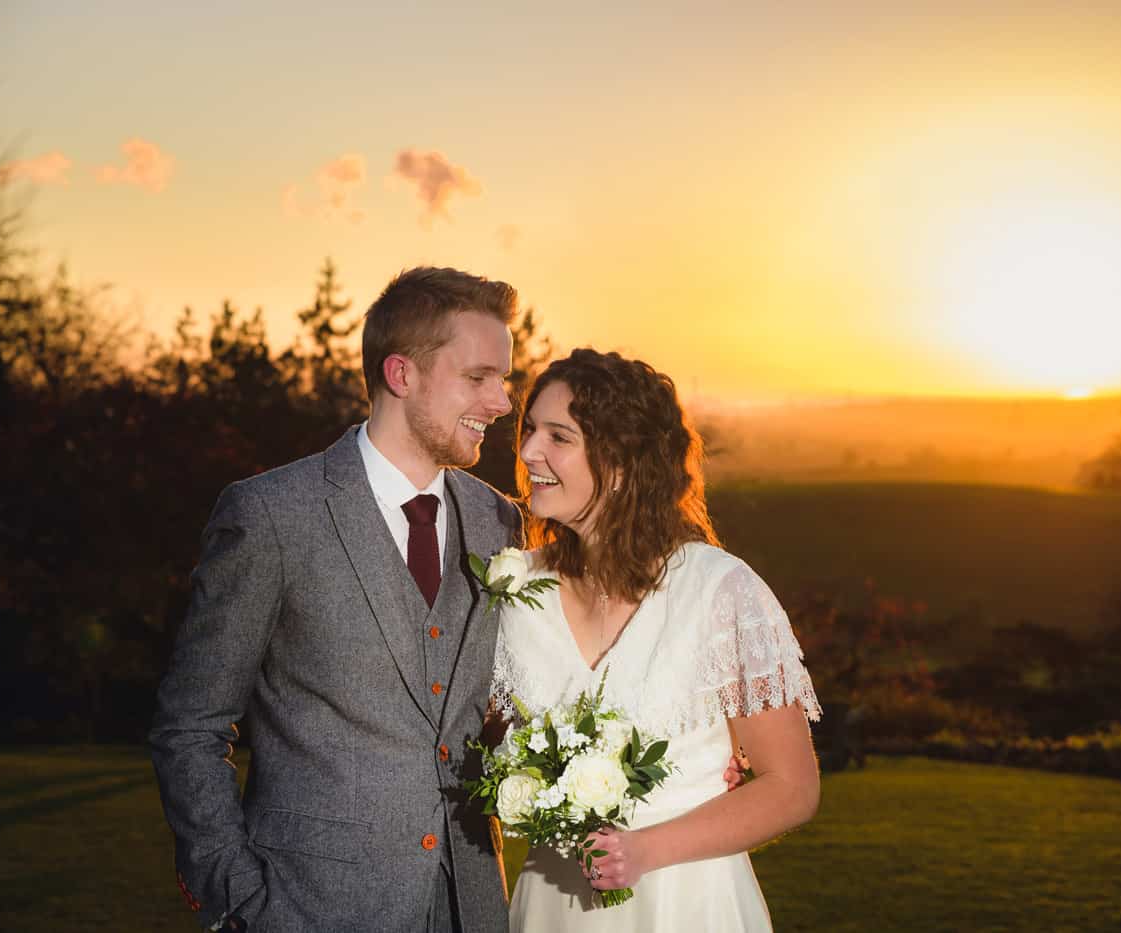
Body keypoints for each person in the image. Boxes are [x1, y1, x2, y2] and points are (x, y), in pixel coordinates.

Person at [150, 267, 524, 932]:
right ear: (401, 374)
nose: (502, 401)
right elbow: (190, 726)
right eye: (480, 377)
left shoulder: (500, 522)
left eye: (505, 379)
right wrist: (237, 896)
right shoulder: (271, 515)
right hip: (310, 907)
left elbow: (512, 700)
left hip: (472, 905)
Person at [491, 349, 821, 931]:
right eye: (530, 430)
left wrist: (644, 850)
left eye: (558, 437)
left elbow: (791, 786)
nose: (527, 453)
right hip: (551, 909)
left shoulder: (719, 592)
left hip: (686, 903)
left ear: (620, 463)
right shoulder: (517, 592)